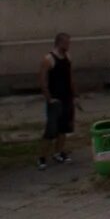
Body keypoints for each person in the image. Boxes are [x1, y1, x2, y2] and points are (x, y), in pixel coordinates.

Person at [38, 32, 76, 166]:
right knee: (51, 130)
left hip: (67, 98)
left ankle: (58, 153)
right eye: (66, 43)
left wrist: (74, 95)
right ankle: (42, 157)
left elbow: (70, 77)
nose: (68, 45)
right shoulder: (49, 59)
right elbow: (43, 81)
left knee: (64, 128)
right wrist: (49, 98)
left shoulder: (67, 57)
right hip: (56, 100)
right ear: (60, 43)